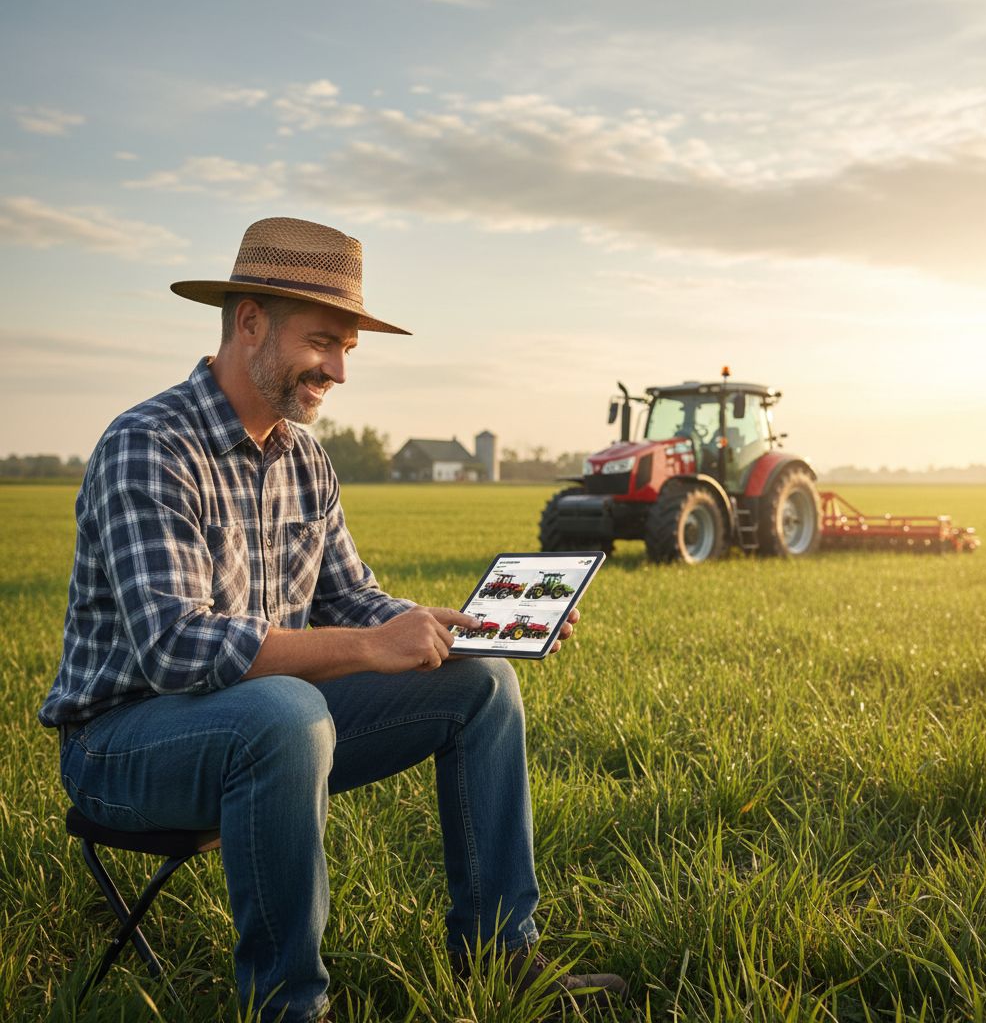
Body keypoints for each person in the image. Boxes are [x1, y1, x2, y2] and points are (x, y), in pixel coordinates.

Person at [39, 217, 625, 1022]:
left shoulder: (304, 456)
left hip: (269, 730)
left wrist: (444, 627)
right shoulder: (151, 445)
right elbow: (176, 647)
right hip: (125, 749)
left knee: (481, 683)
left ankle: (500, 954)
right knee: (286, 711)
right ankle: (288, 1007)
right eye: (323, 342)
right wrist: (365, 647)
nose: (340, 370)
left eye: (348, 348)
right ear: (250, 323)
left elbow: (352, 599)